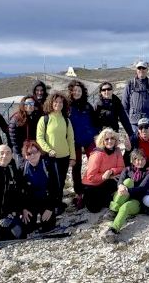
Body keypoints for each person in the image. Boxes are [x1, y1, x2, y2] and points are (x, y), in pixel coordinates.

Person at [36, 92, 75, 212]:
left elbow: (70, 139)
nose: (58, 104)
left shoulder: (66, 120)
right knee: (52, 182)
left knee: (61, 181)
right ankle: (52, 205)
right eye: (56, 102)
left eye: (61, 102)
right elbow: (39, 138)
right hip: (51, 157)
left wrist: (72, 157)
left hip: (64, 156)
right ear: (51, 103)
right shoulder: (44, 119)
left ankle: (58, 203)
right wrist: (49, 150)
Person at [103, 149, 149, 243]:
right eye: (137, 159)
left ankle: (113, 230)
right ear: (132, 161)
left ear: (145, 160)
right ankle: (113, 211)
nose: (140, 162)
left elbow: (142, 188)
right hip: (122, 196)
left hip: (136, 201)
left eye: (142, 159)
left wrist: (128, 191)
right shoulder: (127, 169)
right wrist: (121, 186)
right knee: (128, 181)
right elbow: (120, 181)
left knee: (125, 207)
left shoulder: (148, 173)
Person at [67, 80, 98, 209]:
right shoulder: (67, 107)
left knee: (95, 162)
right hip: (74, 142)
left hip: (89, 139)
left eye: (79, 90)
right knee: (76, 166)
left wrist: (95, 133)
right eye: (74, 90)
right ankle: (79, 193)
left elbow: (95, 121)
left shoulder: (87, 106)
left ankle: (92, 185)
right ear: (71, 92)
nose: (77, 92)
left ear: (82, 92)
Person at [82, 128, 124, 212]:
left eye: (112, 138)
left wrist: (111, 172)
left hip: (107, 181)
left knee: (120, 179)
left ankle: (109, 200)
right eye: (106, 139)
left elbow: (121, 167)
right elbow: (91, 176)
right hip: (92, 184)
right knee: (94, 209)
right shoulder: (97, 154)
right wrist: (104, 176)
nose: (110, 141)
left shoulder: (117, 150)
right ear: (102, 141)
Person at [20, 141, 58, 233]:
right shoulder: (22, 168)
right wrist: (23, 209)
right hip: (30, 202)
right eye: (29, 153)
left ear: (40, 152)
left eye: (35, 152)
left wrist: (50, 208)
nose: (32, 155)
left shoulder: (48, 165)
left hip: (46, 200)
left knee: (48, 227)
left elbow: (56, 187)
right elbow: (19, 191)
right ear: (25, 156)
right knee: (27, 229)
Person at [122, 61, 149, 132]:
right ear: (136, 70)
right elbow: (124, 104)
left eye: (143, 68)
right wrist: (130, 117)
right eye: (139, 68)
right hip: (134, 122)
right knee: (135, 141)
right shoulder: (130, 84)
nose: (141, 70)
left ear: (147, 70)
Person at [9, 95, 41, 168]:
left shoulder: (35, 117)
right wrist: (20, 153)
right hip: (20, 152)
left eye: (32, 103)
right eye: (27, 103)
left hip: (32, 150)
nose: (29, 106)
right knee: (22, 170)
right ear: (23, 105)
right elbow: (14, 140)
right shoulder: (16, 118)